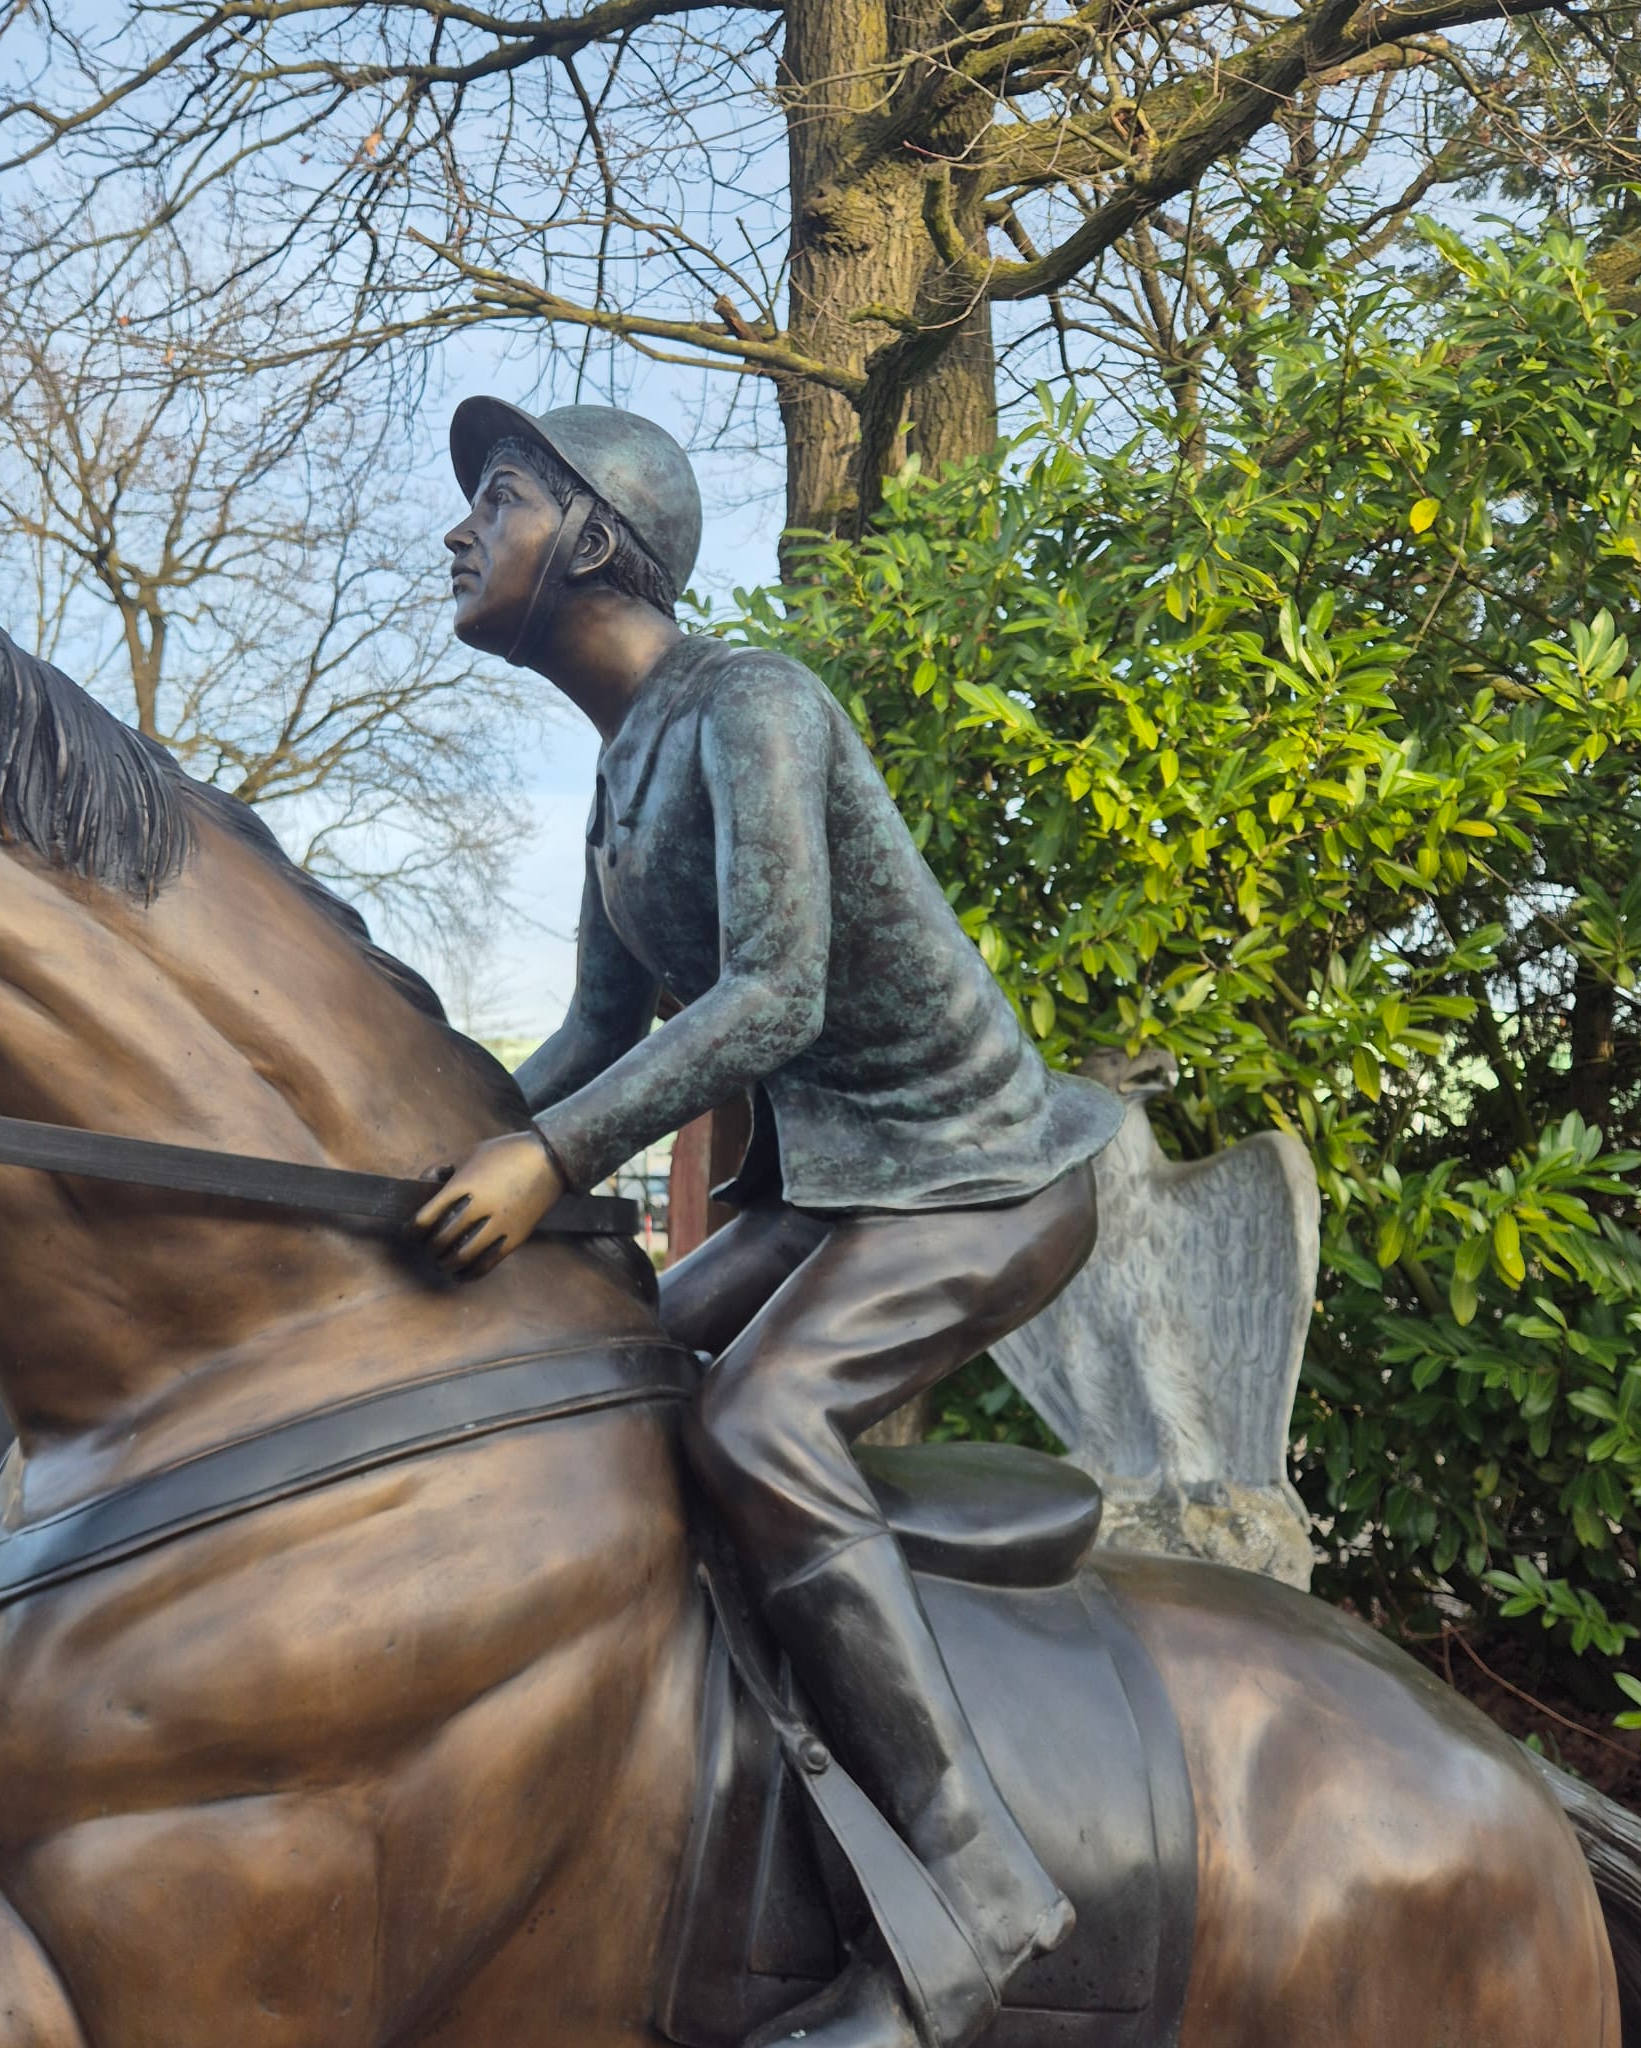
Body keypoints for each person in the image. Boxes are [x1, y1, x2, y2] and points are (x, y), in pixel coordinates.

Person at [412, 399, 1123, 2048]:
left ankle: (979, 1894)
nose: (459, 533)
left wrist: (548, 1164)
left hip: (979, 1178)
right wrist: (432, 1150)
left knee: (751, 1422)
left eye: (496, 500)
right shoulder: (621, 771)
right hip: (836, 1192)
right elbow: (592, 1040)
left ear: (591, 539)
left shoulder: (754, 704)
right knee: (605, 1368)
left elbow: (776, 994)